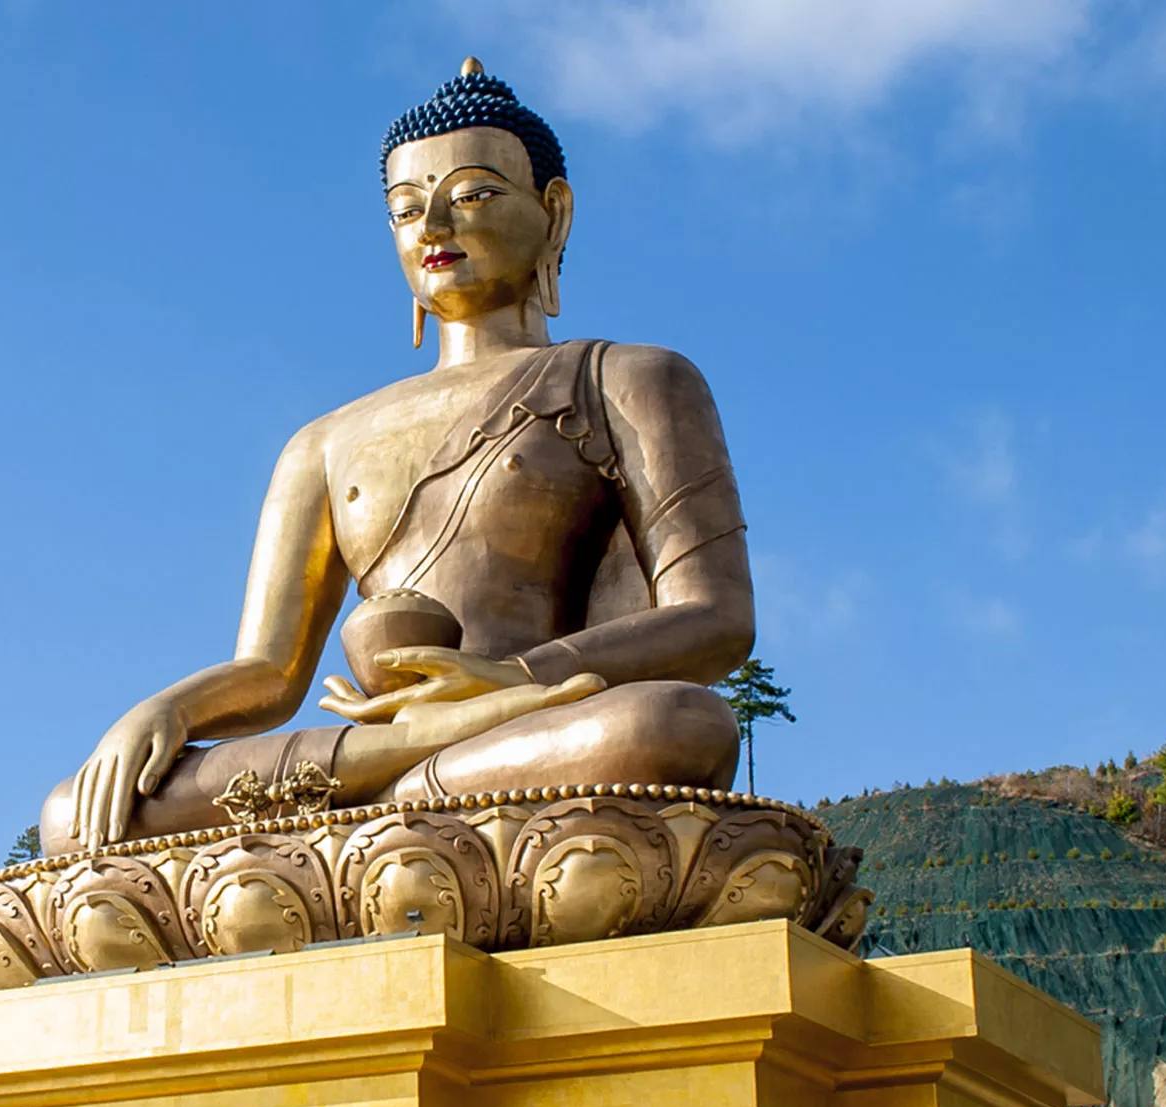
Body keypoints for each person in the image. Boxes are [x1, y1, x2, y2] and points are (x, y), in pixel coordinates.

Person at [43, 62, 754, 854]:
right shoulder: (324, 440)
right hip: (405, 741)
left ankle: (375, 806)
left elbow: (717, 618)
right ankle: (405, 777)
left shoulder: (628, 378)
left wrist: (518, 679)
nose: (434, 227)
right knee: (75, 813)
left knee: (676, 724)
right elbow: (272, 672)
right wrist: (167, 711)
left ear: (554, 212)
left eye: (473, 194)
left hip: (540, 724)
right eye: (408, 208)